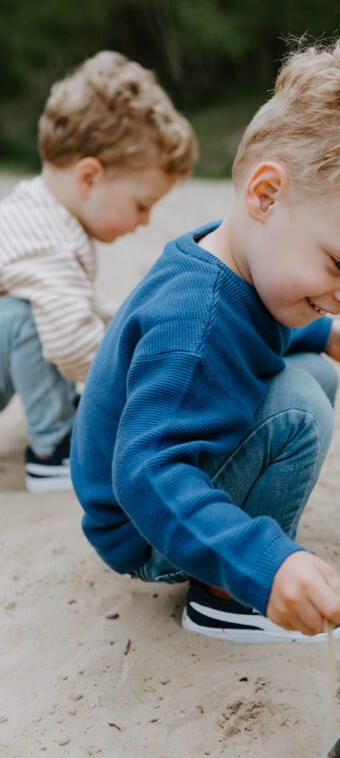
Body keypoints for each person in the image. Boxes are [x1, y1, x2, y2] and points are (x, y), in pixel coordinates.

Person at [71, 38, 340, 643]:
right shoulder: (194, 324)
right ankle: (226, 594)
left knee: (318, 373)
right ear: (266, 195)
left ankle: (244, 556)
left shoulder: (236, 260)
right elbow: (147, 472)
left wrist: (327, 331)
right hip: (144, 531)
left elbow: (259, 324)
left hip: (152, 501)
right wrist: (267, 563)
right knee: (299, 409)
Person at [0, 51, 197, 491]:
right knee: (31, 314)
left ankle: (60, 413)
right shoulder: (44, 238)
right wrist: (133, 388)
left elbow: (82, 302)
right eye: (141, 205)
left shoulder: (44, 212)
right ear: (89, 178)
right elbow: (72, 342)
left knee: (51, 307)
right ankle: (53, 450)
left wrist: (128, 326)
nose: (145, 220)